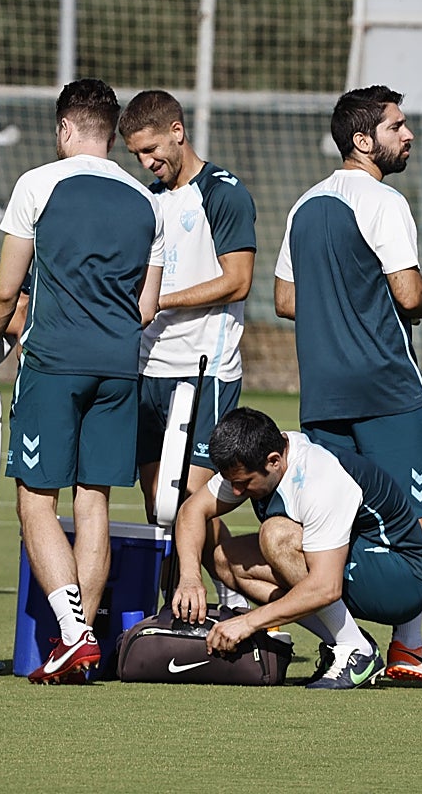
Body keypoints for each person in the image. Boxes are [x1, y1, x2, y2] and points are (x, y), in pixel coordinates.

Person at [273, 85, 422, 686]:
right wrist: (415, 301)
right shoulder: (383, 201)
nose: (407, 135)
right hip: (388, 390)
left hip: (324, 395)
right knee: (420, 511)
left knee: (336, 517)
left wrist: (338, 309)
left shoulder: (304, 205)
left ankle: (348, 645)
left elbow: (284, 301)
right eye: (396, 126)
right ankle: (406, 645)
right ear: (364, 141)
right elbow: (409, 294)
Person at [0, 78, 164, 684]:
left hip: (55, 363)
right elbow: (146, 307)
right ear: (111, 133)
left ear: (65, 129)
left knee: (36, 500)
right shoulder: (147, 201)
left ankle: (74, 633)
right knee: (95, 504)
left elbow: (7, 289)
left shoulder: (37, 184)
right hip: (120, 366)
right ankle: (75, 645)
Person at [171, 407, 422, 690]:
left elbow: (326, 587)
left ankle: (357, 651)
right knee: (226, 560)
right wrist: (191, 578)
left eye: (243, 484)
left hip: (402, 580)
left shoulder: (317, 476)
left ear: (274, 461)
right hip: (362, 562)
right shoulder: (253, 459)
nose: (237, 492)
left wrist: (248, 623)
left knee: (277, 536)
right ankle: (349, 641)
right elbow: (191, 510)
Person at [116, 89, 257, 532]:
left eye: (151, 149)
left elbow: (238, 281)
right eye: (136, 154)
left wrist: (160, 301)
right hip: (147, 367)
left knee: (190, 503)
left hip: (202, 368)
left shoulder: (223, 193)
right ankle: (180, 597)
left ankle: (231, 594)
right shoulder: (147, 200)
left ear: (177, 132)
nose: (145, 162)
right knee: (158, 506)